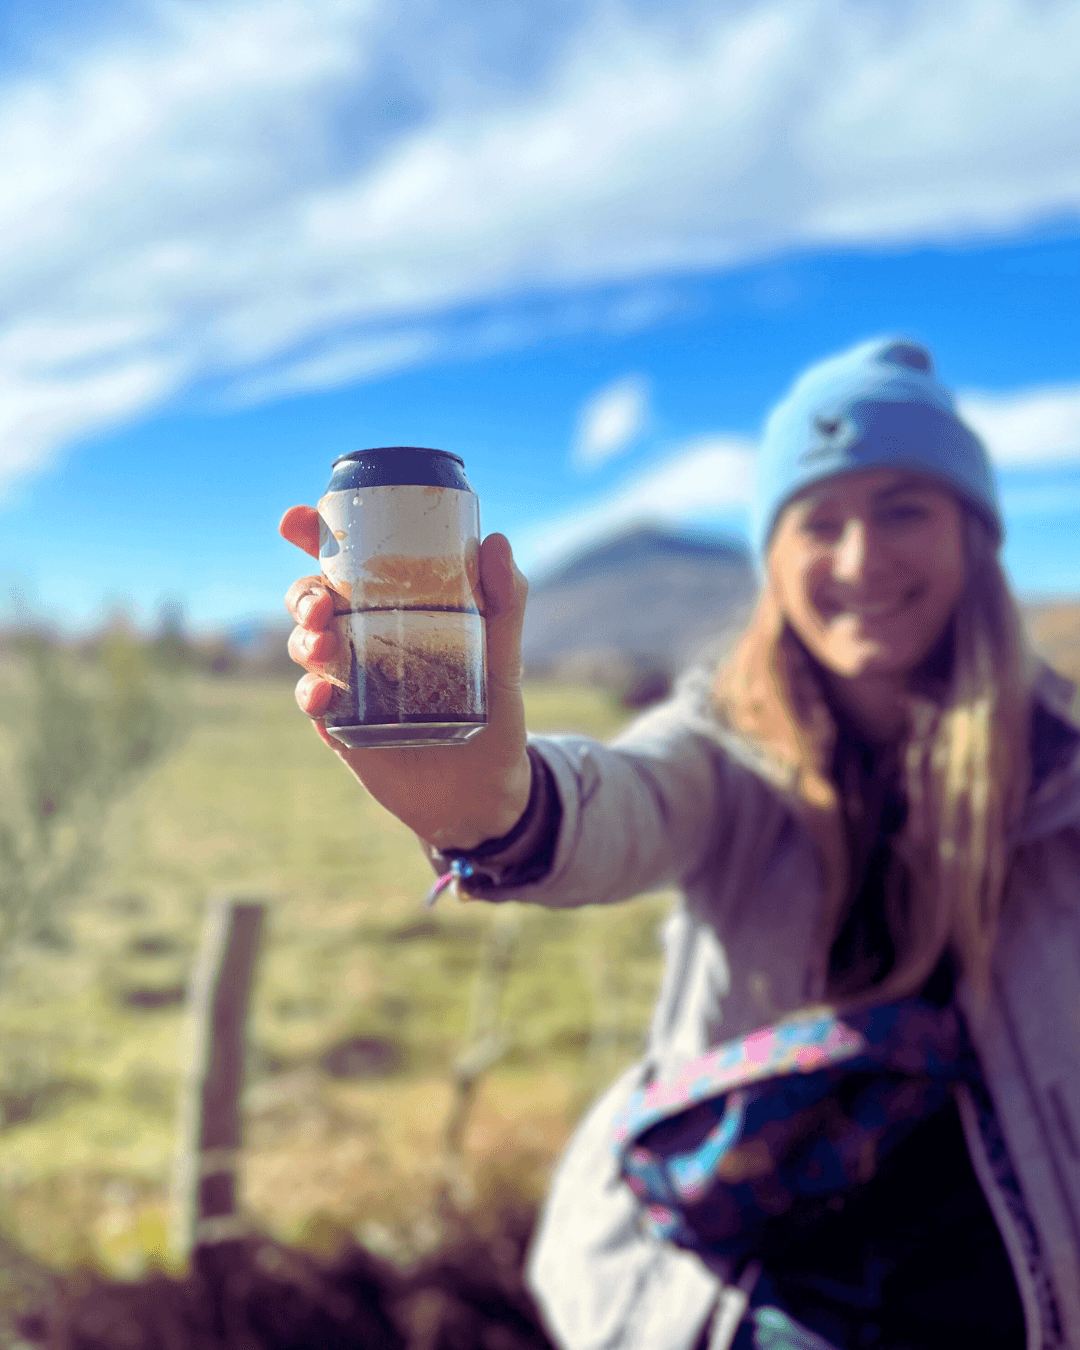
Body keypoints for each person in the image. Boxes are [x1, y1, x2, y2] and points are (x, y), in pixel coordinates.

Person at [280, 337, 1080, 1350]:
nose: (859, 557)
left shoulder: (1065, 786)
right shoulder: (725, 751)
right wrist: (494, 805)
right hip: (749, 1307)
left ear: (974, 534)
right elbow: (622, 802)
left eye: (903, 510)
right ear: (774, 558)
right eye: (820, 520)